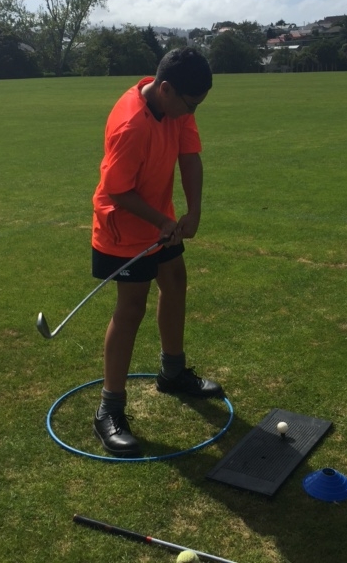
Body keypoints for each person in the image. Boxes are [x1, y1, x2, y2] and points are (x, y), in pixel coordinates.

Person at [91, 47, 224, 457]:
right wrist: (160, 220)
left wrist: (194, 211)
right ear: (165, 89)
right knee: (132, 308)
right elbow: (117, 190)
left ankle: (172, 372)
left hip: (158, 217)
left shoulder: (177, 105)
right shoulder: (131, 124)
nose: (192, 113)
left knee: (175, 280)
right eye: (190, 105)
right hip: (122, 224)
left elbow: (189, 157)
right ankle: (109, 409)